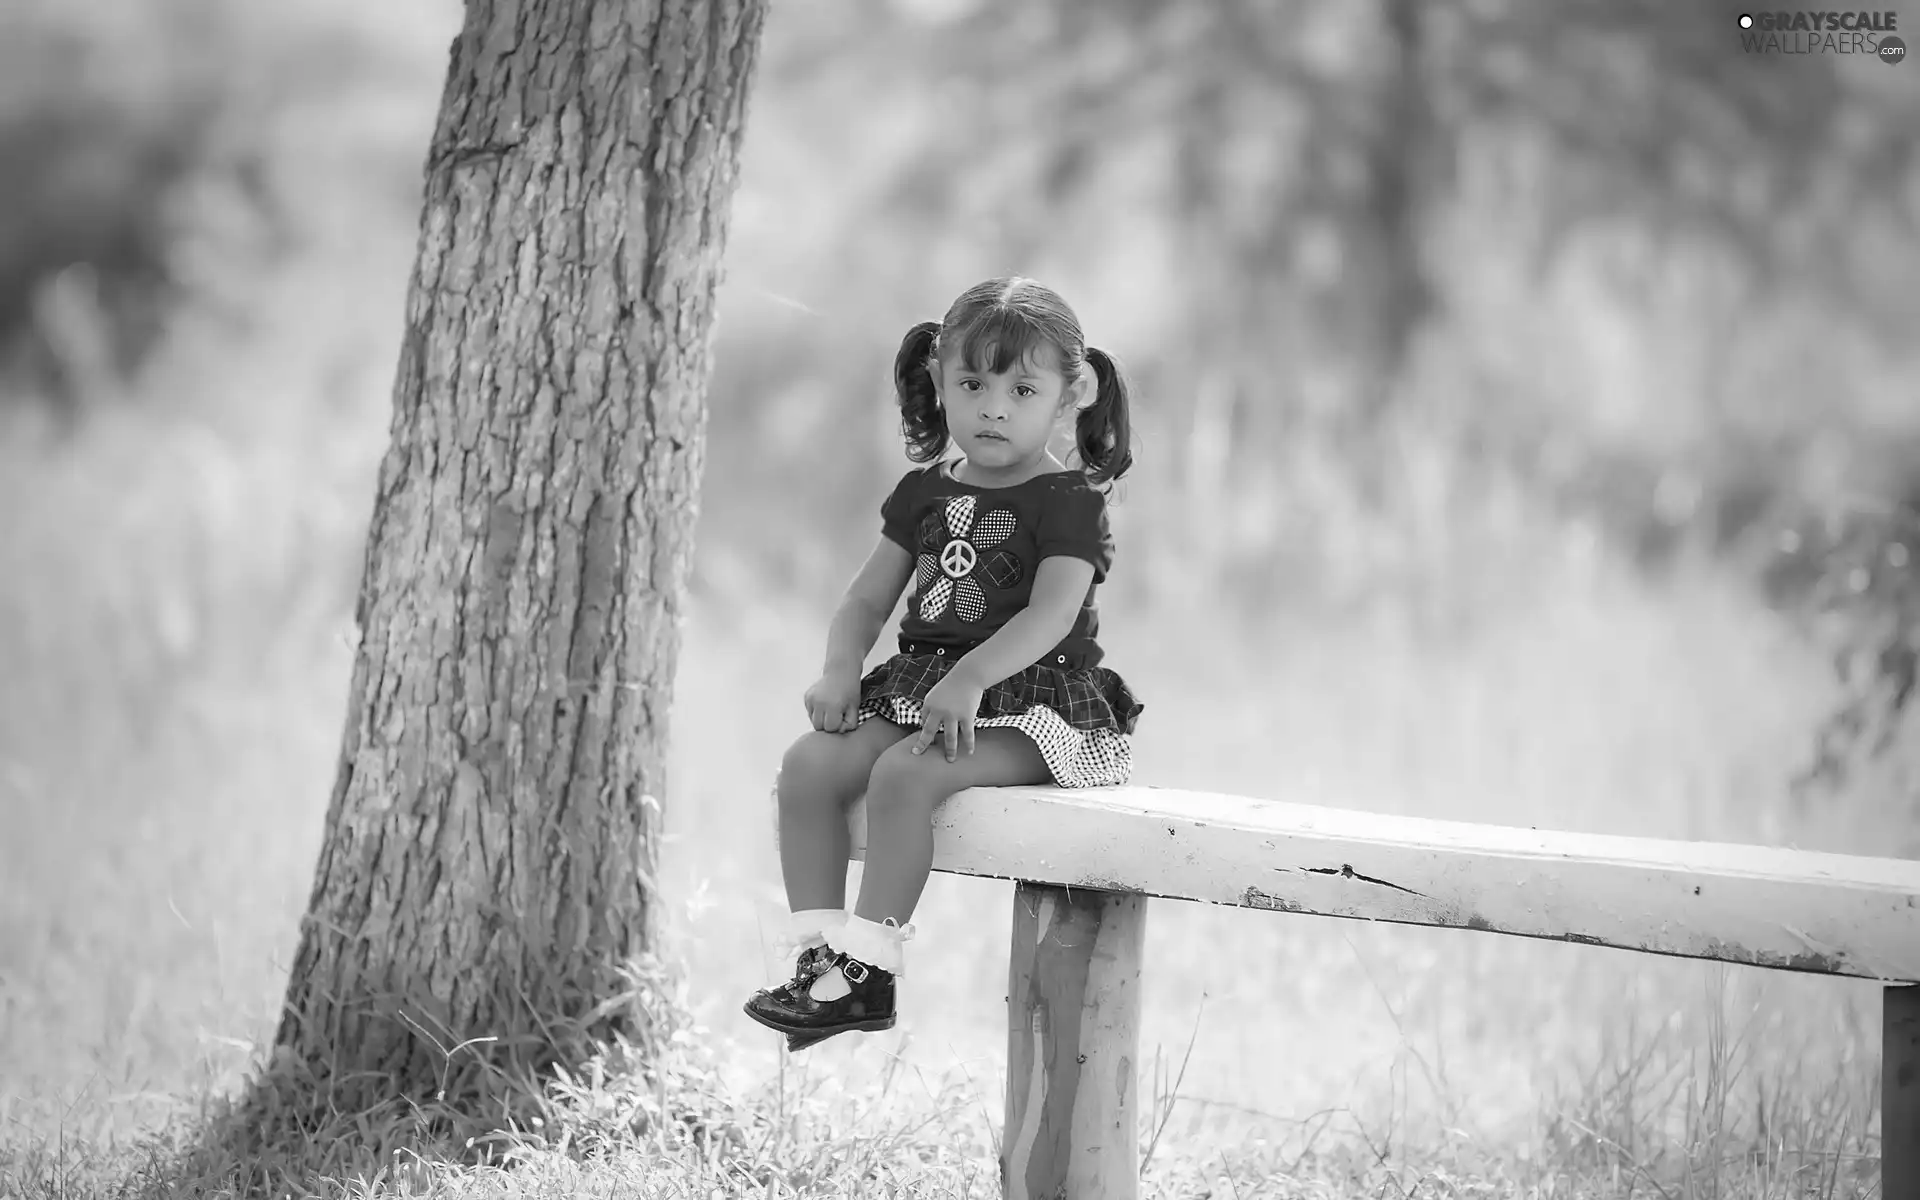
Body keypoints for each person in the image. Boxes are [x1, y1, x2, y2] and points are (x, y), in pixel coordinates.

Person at [742, 276, 1145, 1050]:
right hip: (926, 687)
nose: (994, 406)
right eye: (973, 383)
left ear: (1070, 395)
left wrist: (969, 679)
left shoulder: (1071, 498)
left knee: (905, 774)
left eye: (1023, 388)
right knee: (807, 767)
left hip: (1035, 704)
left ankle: (870, 972)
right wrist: (838, 668)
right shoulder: (924, 492)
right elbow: (866, 602)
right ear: (939, 381)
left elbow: (1051, 613)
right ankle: (822, 963)